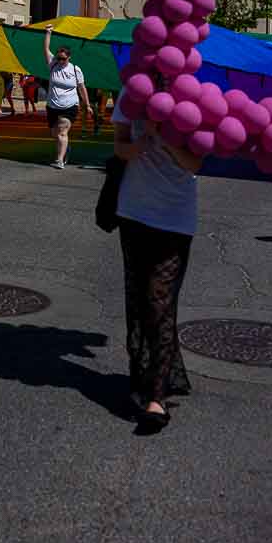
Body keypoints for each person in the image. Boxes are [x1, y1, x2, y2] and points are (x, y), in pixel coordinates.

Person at [111, 85, 205, 431]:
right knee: (138, 301)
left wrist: (161, 136)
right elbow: (119, 145)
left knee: (158, 299)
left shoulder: (194, 97)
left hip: (175, 218)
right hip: (133, 213)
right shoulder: (131, 92)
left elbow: (196, 162)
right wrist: (136, 147)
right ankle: (145, 377)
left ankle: (157, 396)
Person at [40, 27, 91, 170]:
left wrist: (87, 105)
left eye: (63, 58)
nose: (60, 60)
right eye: (59, 57)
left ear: (69, 57)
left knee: (63, 131)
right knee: (54, 133)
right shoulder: (53, 65)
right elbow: (45, 48)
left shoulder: (75, 70)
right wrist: (48, 33)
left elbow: (81, 88)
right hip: (52, 105)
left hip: (69, 106)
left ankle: (59, 160)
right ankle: (65, 147)